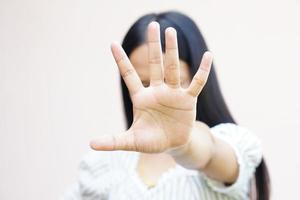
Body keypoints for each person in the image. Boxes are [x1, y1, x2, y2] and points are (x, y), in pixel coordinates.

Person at [63, 11, 270, 200]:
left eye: (174, 82)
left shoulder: (230, 144)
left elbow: (210, 154)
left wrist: (182, 144)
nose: (159, 98)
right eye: (145, 84)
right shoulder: (103, 166)